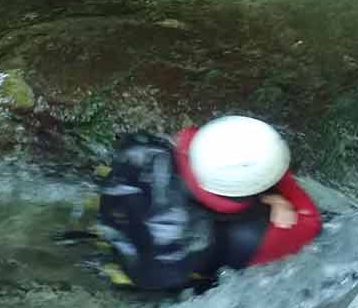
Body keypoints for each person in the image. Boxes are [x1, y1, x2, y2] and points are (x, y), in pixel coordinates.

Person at [95, 116, 321, 291]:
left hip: (125, 227)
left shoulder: (150, 148)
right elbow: (311, 222)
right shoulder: (256, 234)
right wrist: (273, 192)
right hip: (173, 273)